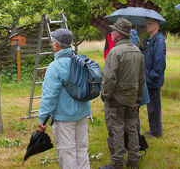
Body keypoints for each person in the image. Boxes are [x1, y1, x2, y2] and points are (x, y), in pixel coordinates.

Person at [38, 28, 91, 169]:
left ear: (57, 45)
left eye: (53, 41)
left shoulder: (54, 67)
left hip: (64, 118)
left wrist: (42, 120)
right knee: (82, 149)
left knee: (67, 153)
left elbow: (49, 97)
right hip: (82, 113)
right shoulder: (81, 62)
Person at [100, 18, 145, 169]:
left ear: (119, 34)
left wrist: (106, 95)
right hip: (131, 98)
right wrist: (137, 98)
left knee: (116, 130)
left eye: (113, 30)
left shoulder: (115, 52)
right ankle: (133, 161)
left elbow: (109, 78)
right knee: (132, 129)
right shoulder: (137, 52)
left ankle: (116, 163)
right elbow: (141, 79)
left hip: (116, 99)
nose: (111, 32)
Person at [142, 18, 166, 138]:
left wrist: (152, 76)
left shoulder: (159, 40)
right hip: (147, 78)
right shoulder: (148, 40)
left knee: (154, 106)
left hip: (153, 80)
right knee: (150, 106)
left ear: (157, 25)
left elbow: (160, 61)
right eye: (147, 24)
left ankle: (156, 132)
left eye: (150, 24)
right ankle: (153, 129)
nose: (148, 26)